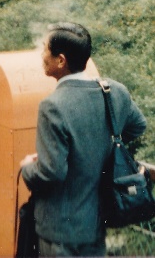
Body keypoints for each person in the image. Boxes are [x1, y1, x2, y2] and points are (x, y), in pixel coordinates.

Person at [20, 23, 147, 257]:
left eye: (45, 49)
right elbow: (138, 126)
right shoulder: (114, 91)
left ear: (61, 60)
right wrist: (101, 148)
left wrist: (27, 168)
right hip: (97, 223)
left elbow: (51, 173)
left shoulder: (53, 106)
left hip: (60, 230)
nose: (41, 55)